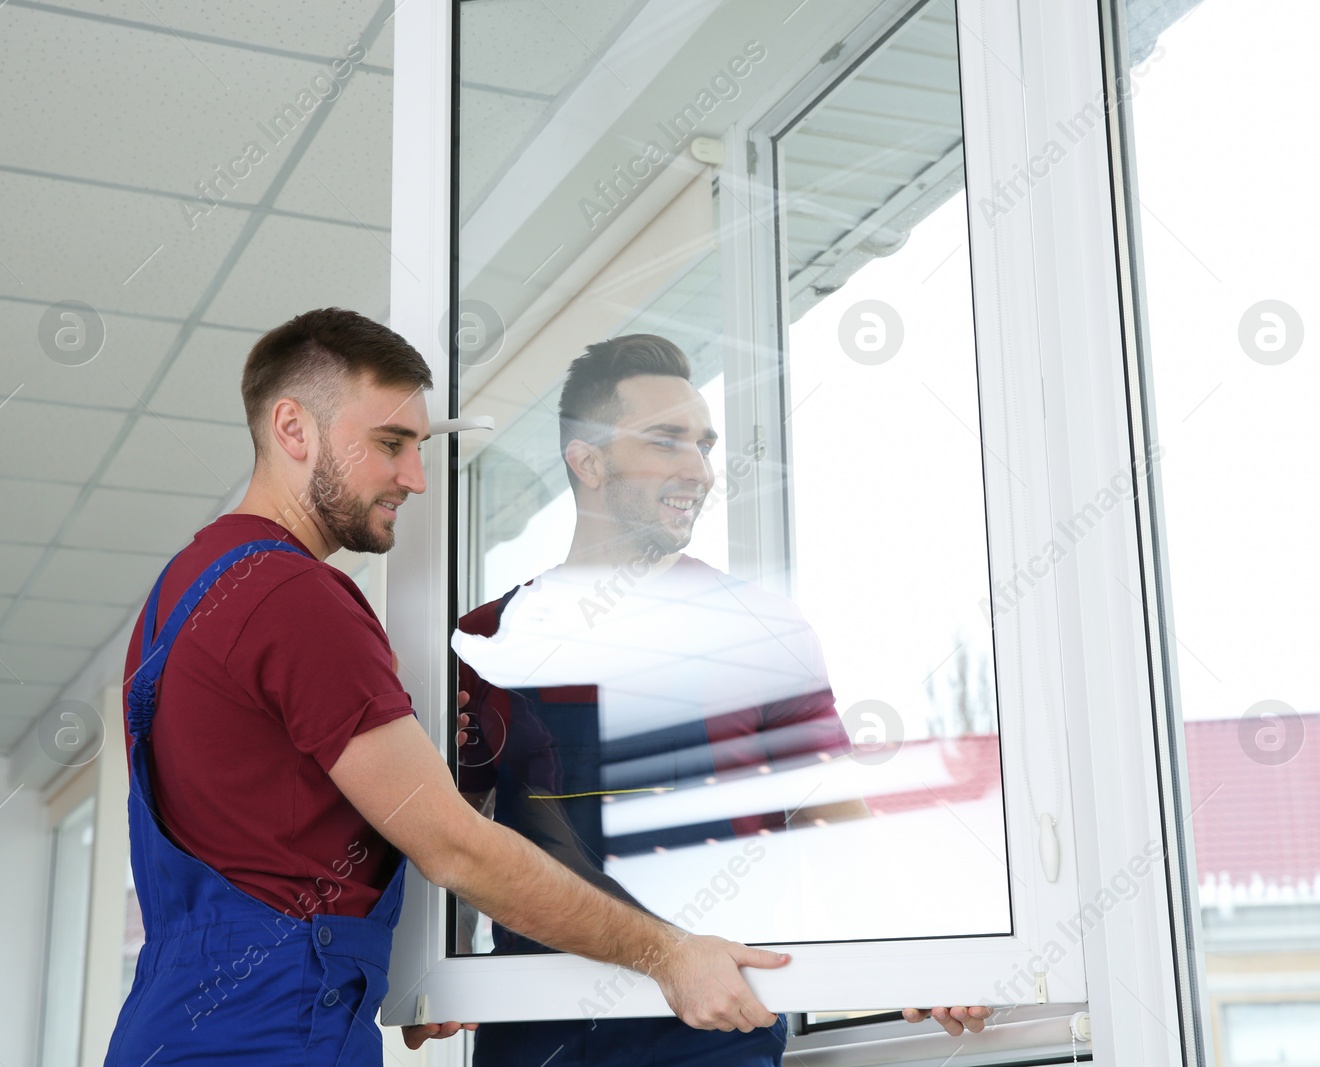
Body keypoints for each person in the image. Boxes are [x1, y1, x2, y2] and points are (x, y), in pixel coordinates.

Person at [104, 310, 789, 1067]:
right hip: (271, 1035)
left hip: (171, 1026)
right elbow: (455, 846)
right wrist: (670, 954)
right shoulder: (296, 598)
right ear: (293, 429)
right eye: (391, 444)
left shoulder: (183, 588)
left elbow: (280, 837)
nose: (416, 478)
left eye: (421, 449)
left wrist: (433, 958)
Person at [454, 335, 991, 1067]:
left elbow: (831, 819)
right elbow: (450, 836)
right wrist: (438, 972)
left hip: (709, 1032)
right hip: (534, 1027)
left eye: (703, 444)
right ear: (588, 460)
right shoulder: (487, 638)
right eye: (666, 440)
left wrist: (921, 955)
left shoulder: (759, 630)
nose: (698, 469)